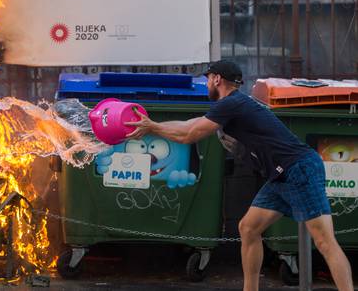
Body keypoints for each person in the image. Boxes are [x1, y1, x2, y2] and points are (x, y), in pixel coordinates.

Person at [125, 60, 354, 291]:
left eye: (208, 80)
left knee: (325, 242)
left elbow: (189, 135)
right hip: (279, 175)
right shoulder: (232, 104)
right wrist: (155, 125)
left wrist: (152, 127)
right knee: (248, 228)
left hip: (298, 169)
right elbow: (191, 124)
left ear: (217, 79)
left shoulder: (232, 103)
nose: (206, 85)